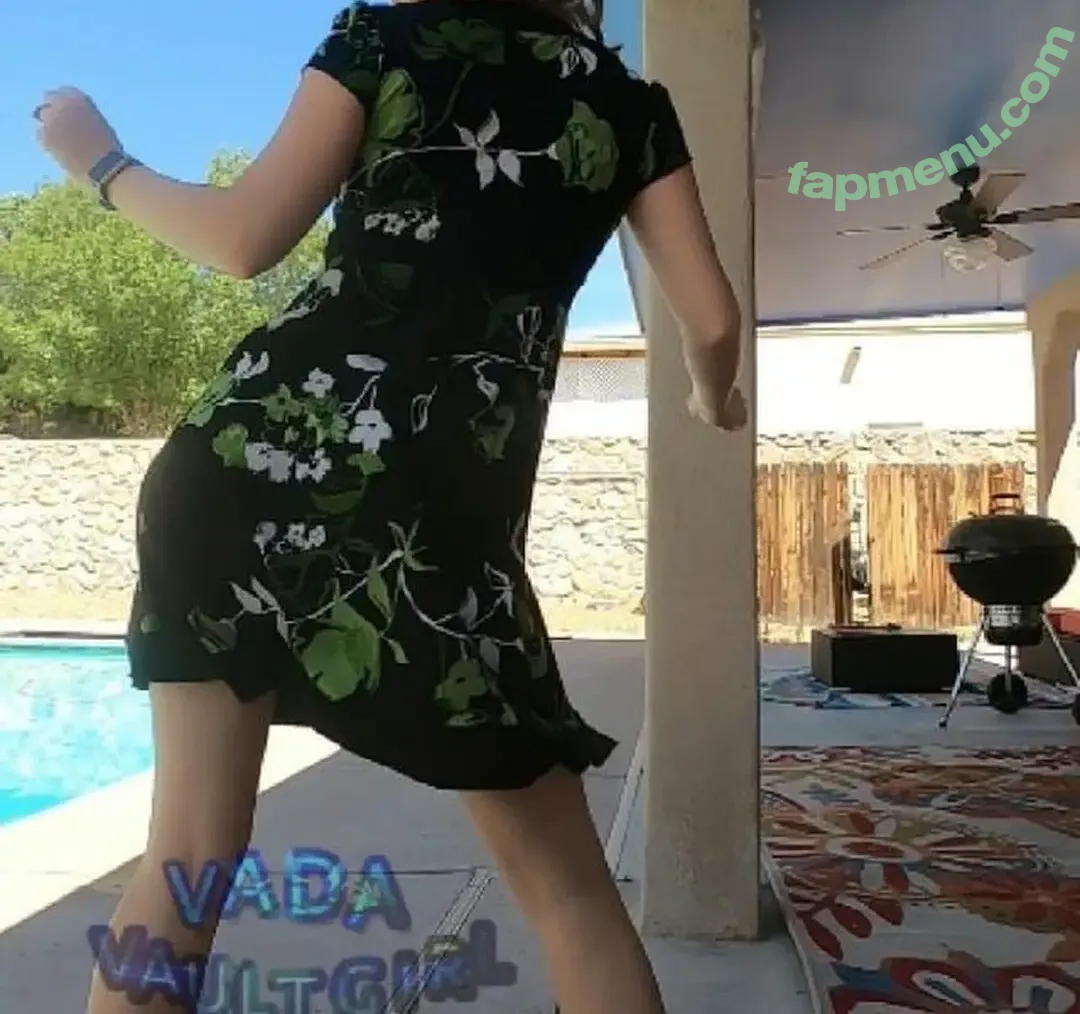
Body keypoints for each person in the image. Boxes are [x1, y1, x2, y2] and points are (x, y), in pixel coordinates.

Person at [35, 1, 746, 1011]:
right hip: (440, 519)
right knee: (572, 898)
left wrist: (101, 162)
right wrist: (711, 397)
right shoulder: (627, 108)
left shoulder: (383, 40)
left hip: (244, 469)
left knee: (187, 857)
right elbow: (712, 323)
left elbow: (242, 239)